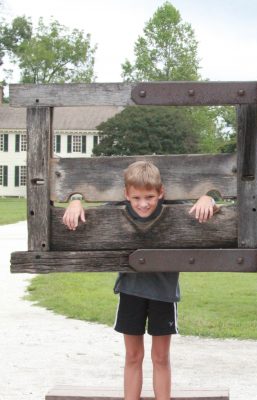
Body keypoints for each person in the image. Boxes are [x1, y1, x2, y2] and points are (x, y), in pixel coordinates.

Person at [62, 160, 218, 400]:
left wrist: (209, 197)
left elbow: (210, 205)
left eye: (150, 197)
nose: (143, 204)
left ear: (161, 193)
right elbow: (88, 205)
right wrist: (74, 199)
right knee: (133, 356)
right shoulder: (117, 208)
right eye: (136, 198)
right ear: (126, 195)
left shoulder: (175, 206)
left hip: (164, 292)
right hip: (130, 289)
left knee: (160, 357)